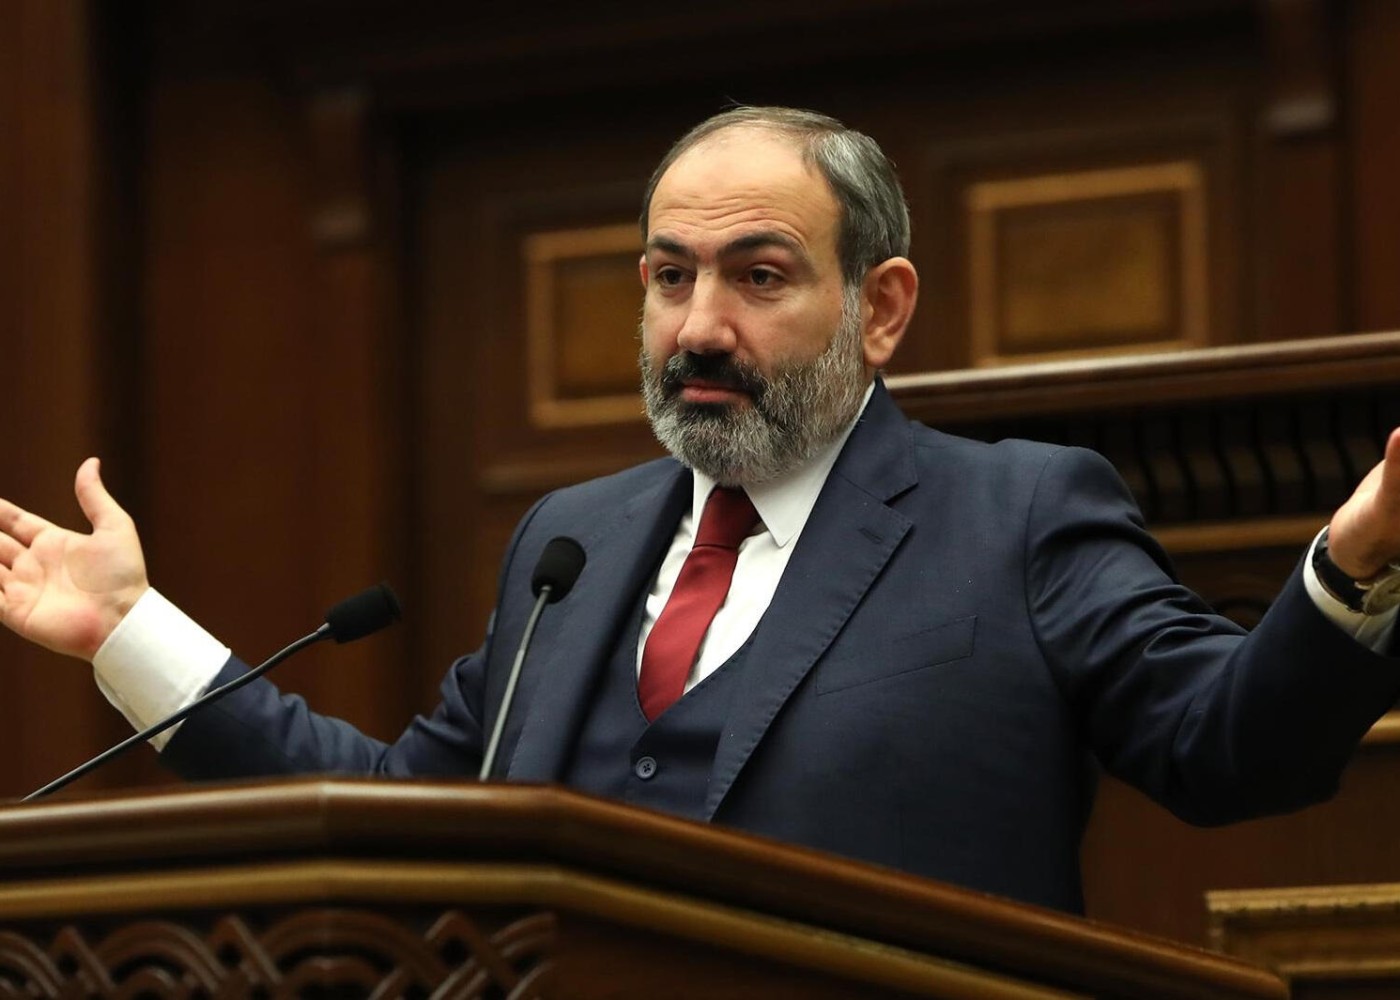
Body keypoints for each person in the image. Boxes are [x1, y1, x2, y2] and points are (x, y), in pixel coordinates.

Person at [3, 106, 1400, 914]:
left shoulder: (1019, 514)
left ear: (881, 308)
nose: (700, 328)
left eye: (759, 276)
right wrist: (132, 631)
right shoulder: (572, 545)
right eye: (671, 278)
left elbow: (1232, 750)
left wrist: (1356, 563)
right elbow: (401, 818)